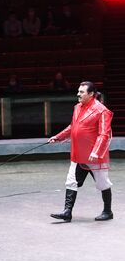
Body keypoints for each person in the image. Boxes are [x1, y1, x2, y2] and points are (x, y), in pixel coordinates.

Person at [49, 81, 114, 222]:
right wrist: (58, 137)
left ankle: (108, 211)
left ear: (91, 94)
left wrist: (95, 152)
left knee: (103, 183)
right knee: (71, 181)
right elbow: (73, 127)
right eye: (78, 91)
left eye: (81, 92)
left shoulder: (102, 111)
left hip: (94, 156)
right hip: (79, 153)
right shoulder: (77, 107)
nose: (78, 94)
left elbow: (104, 134)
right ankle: (67, 212)